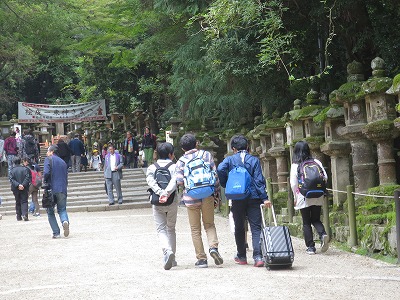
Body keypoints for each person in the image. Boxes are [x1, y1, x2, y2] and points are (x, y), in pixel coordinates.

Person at [217, 135, 271, 267]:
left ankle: (241, 256)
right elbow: (259, 180)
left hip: (237, 197)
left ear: (233, 148)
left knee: (239, 226)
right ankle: (258, 256)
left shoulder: (229, 160)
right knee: (256, 227)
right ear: (248, 147)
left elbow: (219, 169)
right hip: (253, 197)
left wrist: (226, 183)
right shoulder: (254, 160)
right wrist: (264, 197)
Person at [175, 133, 223, 268]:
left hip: (191, 197)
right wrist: (216, 193)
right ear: (196, 143)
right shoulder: (206, 155)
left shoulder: (181, 161)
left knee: (195, 229)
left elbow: (179, 181)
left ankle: (201, 259)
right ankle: (213, 247)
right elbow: (215, 175)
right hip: (207, 194)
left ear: (183, 148)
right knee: (209, 224)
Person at [290, 140, 329, 255]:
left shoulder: (295, 165)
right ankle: (323, 234)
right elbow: (325, 177)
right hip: (317, 193)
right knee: (316, 218)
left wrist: (295, 196)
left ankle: (311, 247)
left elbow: (293, 183)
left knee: (306, 222)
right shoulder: (316, 161)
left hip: (303, 195)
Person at [146, 142, 178, 270]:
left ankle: (167, 251)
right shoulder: (174, 166)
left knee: (161, 229)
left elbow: (150, 182)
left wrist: (160, 193)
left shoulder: (152, 168)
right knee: (171, 228)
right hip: (172, 200)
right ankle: (173, 257)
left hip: (157, 201)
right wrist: (167, 193)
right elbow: (175, 181)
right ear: (171, 154)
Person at [43, 145, 70, 239]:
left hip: (51, 188)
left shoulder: (48, 159)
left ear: (51, 151)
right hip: (62, 188)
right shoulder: (63, 162)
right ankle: (65, 221)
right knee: (62, 209)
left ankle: (56, 233)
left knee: (50, 211)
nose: (47, 153)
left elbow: (46, 172)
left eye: (47, 151)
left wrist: (44, 181)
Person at [9, 157, 31, 221]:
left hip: (15, 188)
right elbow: (28, 177)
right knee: (24, 201)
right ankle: (25, 214)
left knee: (17, 201)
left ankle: (18, 216)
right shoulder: (25, 169)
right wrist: (23, 184)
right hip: (24, 188)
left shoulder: (12, 170)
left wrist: (18, 185)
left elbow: (11, 179)